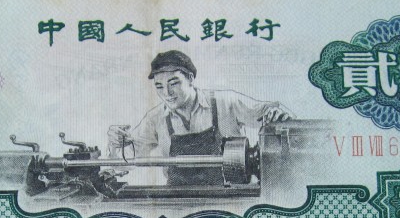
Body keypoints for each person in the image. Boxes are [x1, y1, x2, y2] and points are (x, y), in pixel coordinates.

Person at [107, 50, 292, 186]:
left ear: (190, 79)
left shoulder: (225, 102)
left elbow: (270, 113)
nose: (167, 93)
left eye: (174, 83)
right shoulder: (155, 118)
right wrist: (118, 144)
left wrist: (278, 116)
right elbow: (126, 162)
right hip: (178, 200)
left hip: (231, 198)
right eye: (159, 87)